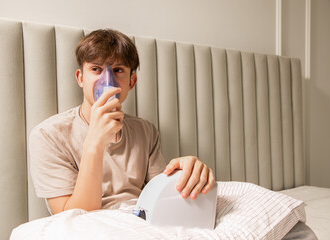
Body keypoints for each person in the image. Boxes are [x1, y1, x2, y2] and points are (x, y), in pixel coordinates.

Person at [29, 29, 215, 215]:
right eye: (96, 69)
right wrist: (94, 144)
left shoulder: (146, 131)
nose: (108, 81)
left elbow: (161, 198)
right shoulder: (48, 135)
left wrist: (185, 171)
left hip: (139, 222)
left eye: (118, 70)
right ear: (81, 78)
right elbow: (70, 217)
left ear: (131, 81)